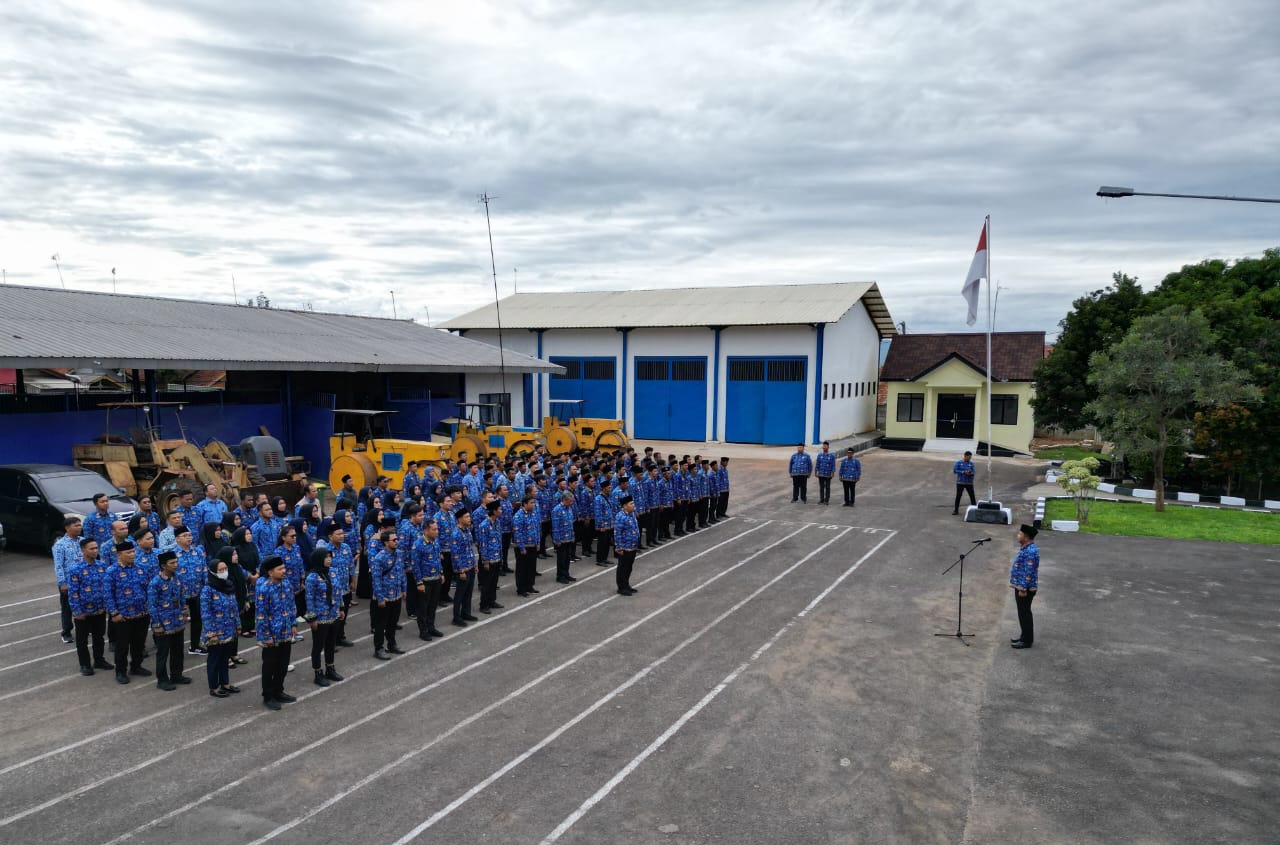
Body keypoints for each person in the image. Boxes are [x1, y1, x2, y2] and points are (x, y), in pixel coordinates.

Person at [106, 540, 151, 684]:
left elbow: (148, 589)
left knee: (139, 643)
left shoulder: (141, 568)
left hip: (142, 614)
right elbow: (108, 594)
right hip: (123, 616)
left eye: (133, 551)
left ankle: (136, 666)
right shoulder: (112, 571)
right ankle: (120, 671)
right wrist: (114, 613)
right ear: (119, 554)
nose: (132, 554)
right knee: (122, 646)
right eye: (128, 552)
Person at [67, 537, 113, 676]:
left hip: (99, 609)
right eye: (91, 548)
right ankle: (85, 664)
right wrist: (77, 610)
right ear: (83, 550)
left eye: (96, 548)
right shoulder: (76, 569)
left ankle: (99, 660)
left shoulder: (102, 566)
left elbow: (107, 587)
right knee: (82, 640)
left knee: (99, 637)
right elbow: (73, 592)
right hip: (83, 611)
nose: (95, 551)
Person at [256, 555, 297, 710]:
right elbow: (261, 615)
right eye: (280, 569)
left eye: (283, 568)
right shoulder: (264, 588)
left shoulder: (286, 584)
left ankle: (279, 690)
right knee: (269, 666)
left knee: (283, 664)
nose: (283, 571)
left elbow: (291, 604)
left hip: (285, 631)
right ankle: (268, 695)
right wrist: (266, 636)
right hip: (271, 635)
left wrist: (293, 623)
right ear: (270, 572)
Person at [147, 550, 190, 691]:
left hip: (177, 621)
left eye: (176, 562)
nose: (176, 565)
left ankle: (177, 675)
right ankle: (162, 679)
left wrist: (184, 612)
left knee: (178, 650)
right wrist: (157, 624)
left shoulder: (178, 578)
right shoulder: (156, 583)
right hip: (163, 623)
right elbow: (152, 606)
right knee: (163, 653)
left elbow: (182, 596)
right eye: (172, 563)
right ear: (163, 565)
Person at [201, 552, 241, 698]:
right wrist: (210, 631)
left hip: (229, 628)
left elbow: (234, 607)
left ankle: (225, 683)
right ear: (212, 572)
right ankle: (214, 686)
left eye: (225, 569)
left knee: (225, 658)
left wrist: (238, 624)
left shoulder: (228, 585)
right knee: (214, 659)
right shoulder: (208, 589)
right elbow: (205, 613)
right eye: (220, 570)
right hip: (215, 631)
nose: (224, 572)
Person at [304, 548, 345, 686]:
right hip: (320, 617)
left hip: (333, 614)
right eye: (325, 557)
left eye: (330, 557)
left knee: (331, 643)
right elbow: (309, 599)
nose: (329, 559)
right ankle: (318, 672)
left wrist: (341, 607)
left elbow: (338, 591)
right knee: (318, 646)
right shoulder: (312, 577)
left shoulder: (333, 572)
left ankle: (330, 668)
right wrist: (312, 618)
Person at [370, 530, 406, 658]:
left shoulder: (399, 554)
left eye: (397, 539)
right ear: (386, 542)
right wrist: (380, 598)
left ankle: (392, 644)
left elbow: (401, 573)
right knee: (381, 625)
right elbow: (376, 579)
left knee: (392, 622)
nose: (397, 542)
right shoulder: (379, 558)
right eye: (394, 540)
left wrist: (404, 589)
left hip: (396, 595)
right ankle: (378, 648)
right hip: (384, 597)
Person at [173, 526, 207, 655]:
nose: (188, 538)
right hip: (181, 595)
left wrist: (205, 588)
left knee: (197, 620)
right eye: (185, 535)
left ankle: (194, 645)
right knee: (180, 622)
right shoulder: (173, 554)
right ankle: (176, 650)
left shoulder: (198, 552)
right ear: (177, 539)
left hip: (197, 592)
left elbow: (204, 570)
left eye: (189, 535)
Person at [411, 517, 446, 640]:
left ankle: (431, 627)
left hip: (435, 578)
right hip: (425, 581)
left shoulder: (435, 542)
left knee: (433, 605)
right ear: (426, 530)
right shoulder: (418, 545)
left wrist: (441, 573)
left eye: (437, 529)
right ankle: (423, 630)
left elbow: (437, 558)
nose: (437, 531)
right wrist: (419, 582)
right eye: (434, 529)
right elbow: (415, 565)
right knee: (423, 608)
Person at [53, 516, 83, 644]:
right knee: (67, 607)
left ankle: (84, 628)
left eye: (80, 525)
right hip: (69, 581)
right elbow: (58, 565)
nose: (79, 527)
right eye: (76, 525)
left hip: (84, 579)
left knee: (84, 604)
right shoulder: (60, 545)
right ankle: (66, 632)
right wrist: (62, 583)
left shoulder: (83, 541)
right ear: (67, 528)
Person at [1010, 525, 1041, 649]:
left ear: (1026, 537)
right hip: (1022, 585)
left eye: (1020, 534)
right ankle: (1024, 636)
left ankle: (1027, 640)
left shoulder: (1030, 551)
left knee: (1025, 614)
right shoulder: (1026, 548)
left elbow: (1028, 571)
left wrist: (1023, 589)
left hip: (1025, 588)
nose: (1018, 536)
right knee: (1022, 613)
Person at [450, 509, 479, 626]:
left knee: (468, 592)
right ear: (460, 519)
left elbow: (470, 549)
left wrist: (475, 564)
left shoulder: (467, 531)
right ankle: (456, 617)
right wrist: (460, 570)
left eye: (469, 516)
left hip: (470, 566)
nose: (469, 519)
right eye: (466, 517)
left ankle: (466, 612)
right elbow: (455, 554)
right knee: (460, 594)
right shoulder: (456, 534)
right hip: (462, 569)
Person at [476, 500, 504, 614]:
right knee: (487, 583)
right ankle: (484, 604)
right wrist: (485, 561)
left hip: (497, 557)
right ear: (494, 511)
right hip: (489, 559)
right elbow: (483, 544)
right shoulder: (484, 525)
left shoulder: (497, 522)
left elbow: (498, 540)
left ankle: (492, 600)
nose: (501, 511)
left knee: (494, 581)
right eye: (499, 509)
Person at [613, 495, 640, 596]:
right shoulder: (620, 516)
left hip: (632, 545)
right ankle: (621, 587)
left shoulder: (631, 514)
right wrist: (619, 547)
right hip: (625, 547)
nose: (633, 505)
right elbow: (617, 533)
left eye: (633, 503)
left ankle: (626, 584)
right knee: (623, 567)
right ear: (624, 506)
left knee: (629, 567)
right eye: (631, 504)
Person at [552, 491, 577, 584]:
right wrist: (557, 540)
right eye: (570, 501)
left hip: (569, 537)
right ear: (565, 500)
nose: (572, 503)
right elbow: (555, 526)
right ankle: (560, 576)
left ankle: (566, 573)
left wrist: (573, 535)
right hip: (561, 539)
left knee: (567, 557)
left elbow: (571, 524)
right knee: (561, 558)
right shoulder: (557, 510)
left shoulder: (569, 508)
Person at [953, 450, 976, 514]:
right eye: (969, 457)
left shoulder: (971, 463)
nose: (969, 459)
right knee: (958, 496)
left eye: (970, 457)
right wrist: (963, 472)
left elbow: (974, 471)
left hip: (969, 483)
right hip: (960, 482)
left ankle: (974, 510)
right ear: (965, 456)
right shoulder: (958, 462)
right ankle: (956, 510)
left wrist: (970, 473)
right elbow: (955, 471)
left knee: (972, 496)